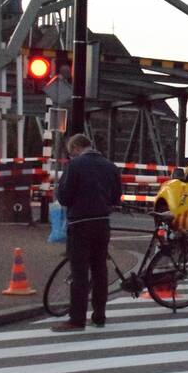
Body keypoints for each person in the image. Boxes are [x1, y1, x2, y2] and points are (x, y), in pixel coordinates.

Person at [51, 134, 121, 332]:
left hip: (80, 223)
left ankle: (77, 319)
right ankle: (99, 316)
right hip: (102, 223)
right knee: (100, 270)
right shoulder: (110, 166)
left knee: (80, 272)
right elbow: (116, 197)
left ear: (75, 148)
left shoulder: (75, 166)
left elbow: (64, 197)